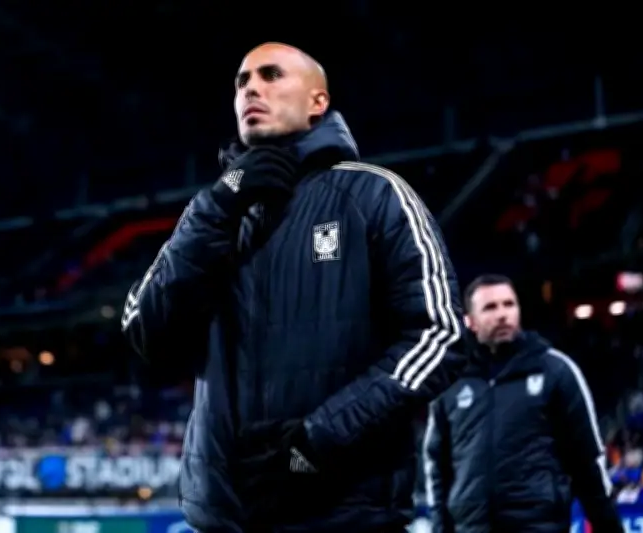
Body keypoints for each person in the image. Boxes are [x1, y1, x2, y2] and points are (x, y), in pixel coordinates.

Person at [122, 42, 465, 532]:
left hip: (343, 512)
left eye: (271, 75)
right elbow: (145, 331)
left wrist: (319, 440)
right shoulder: (212, 215)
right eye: (241, 81)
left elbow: (440, 335)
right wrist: (219, 204)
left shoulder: (375, 194)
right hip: (224, 517)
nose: (251, 89)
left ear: (317, 102)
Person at [423, 274, 623, 533]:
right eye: (490, 307)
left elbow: (587, 461)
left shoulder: (554, 370)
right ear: (469, 321)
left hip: (538, 526)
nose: (502, 314)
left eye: (509, 304)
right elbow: (437, 466)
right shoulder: (451, 382)